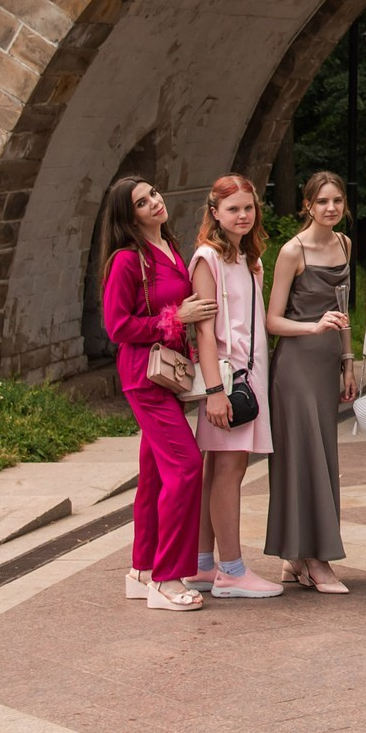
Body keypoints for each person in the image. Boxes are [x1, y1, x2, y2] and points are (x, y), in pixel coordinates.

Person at [99, 176, 219, 612]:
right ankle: (167, 578)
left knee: (153, 475)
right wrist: (176, 316)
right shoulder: (127, 261)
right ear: (128, 215)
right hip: (143, 377)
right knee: (186, 467)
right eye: (142, 202)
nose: (154, 202)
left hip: (169, 377)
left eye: (153, 194)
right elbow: (117, 326)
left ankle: (142, 568)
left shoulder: (168, 249)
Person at [186, 175, 285, 600]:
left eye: (248, 208)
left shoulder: (247, 259)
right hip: (228, 382)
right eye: (233, 210)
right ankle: (232, 571)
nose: (243, 216)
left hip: (245, 376)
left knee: (218, 471)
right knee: (230, 470)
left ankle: (204, 564)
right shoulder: (209, 259)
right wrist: (215, 392)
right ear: (215, 213)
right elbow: (205, 333)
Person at [263, 170, 355, 593]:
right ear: (308, 206)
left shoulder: (345, 244)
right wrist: (313, 327)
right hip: (297, 365)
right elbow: (272, 319)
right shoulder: (291, 251)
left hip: (328, 363)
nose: (331, 208)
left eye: (337, 200)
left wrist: (349, 360)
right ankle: (316, 561)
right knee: (305, 458)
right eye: (322, 202)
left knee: (322, 457)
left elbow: (345, 310)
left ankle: (295, 558)